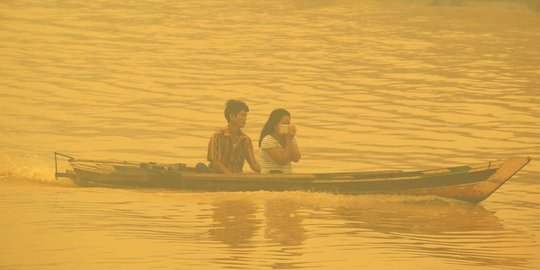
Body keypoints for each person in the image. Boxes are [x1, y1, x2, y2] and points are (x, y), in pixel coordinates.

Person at [207, 100, 261, 174]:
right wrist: (231, 176)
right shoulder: (218, 136)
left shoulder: (246, 140)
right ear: (232, 116)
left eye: (245, 116)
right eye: (242, 115)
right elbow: (216, 163)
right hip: (218, 178)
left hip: (236, 178)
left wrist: (267, 171)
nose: (245, 119)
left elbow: (253, 164)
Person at [258, 109, 301, 173]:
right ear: (275, 125)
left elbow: (296, 158)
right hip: (270, 176)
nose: (287, 126)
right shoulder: (267, 140)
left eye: (288, 124)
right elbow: (282, 161)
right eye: (284, 124)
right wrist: (288, 141)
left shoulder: (290, 137)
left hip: (287, 176)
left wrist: (289, 139)